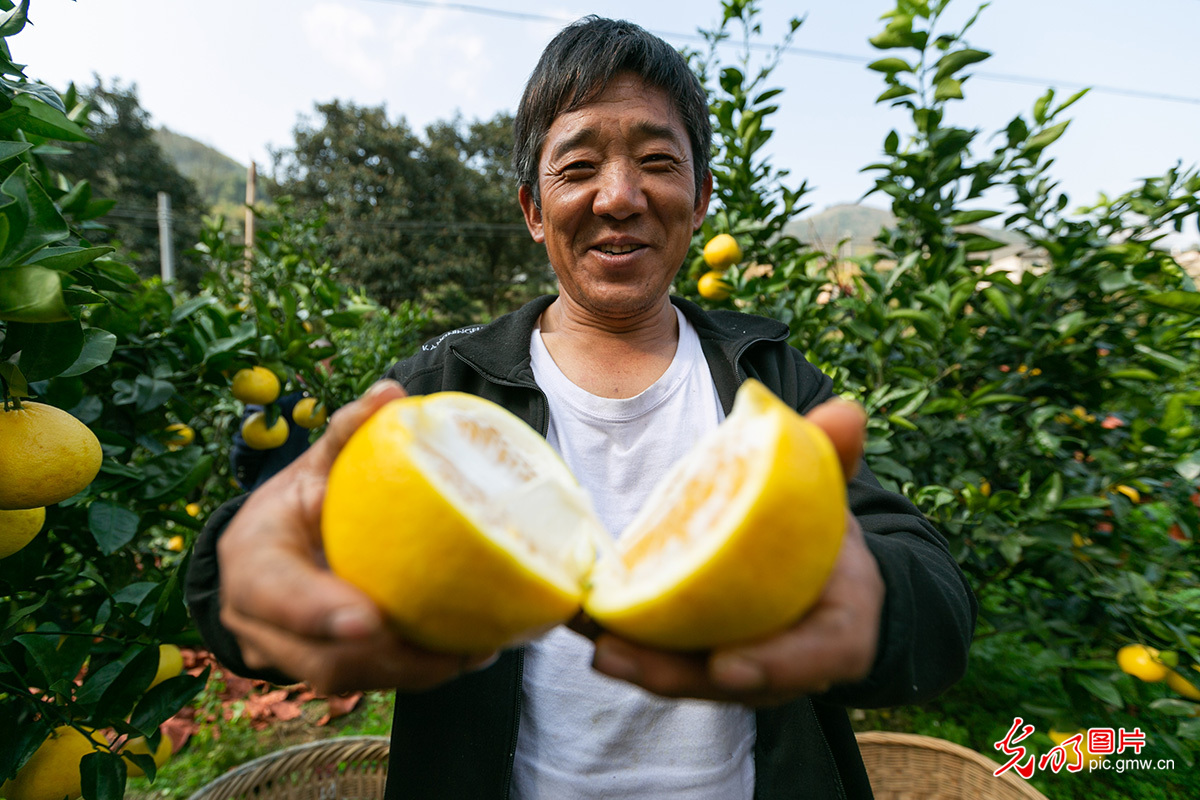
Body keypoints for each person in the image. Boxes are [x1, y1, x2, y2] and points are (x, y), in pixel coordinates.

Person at [186, 16, 976, 799]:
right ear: (534, 208)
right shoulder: (443, 391)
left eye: (658, 161)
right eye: (580, 166)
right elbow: (261, 554)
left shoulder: (769, 384)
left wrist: (874, 598)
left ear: (699, 199)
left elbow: (936, 602)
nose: (620, 196)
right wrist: (238, 569)